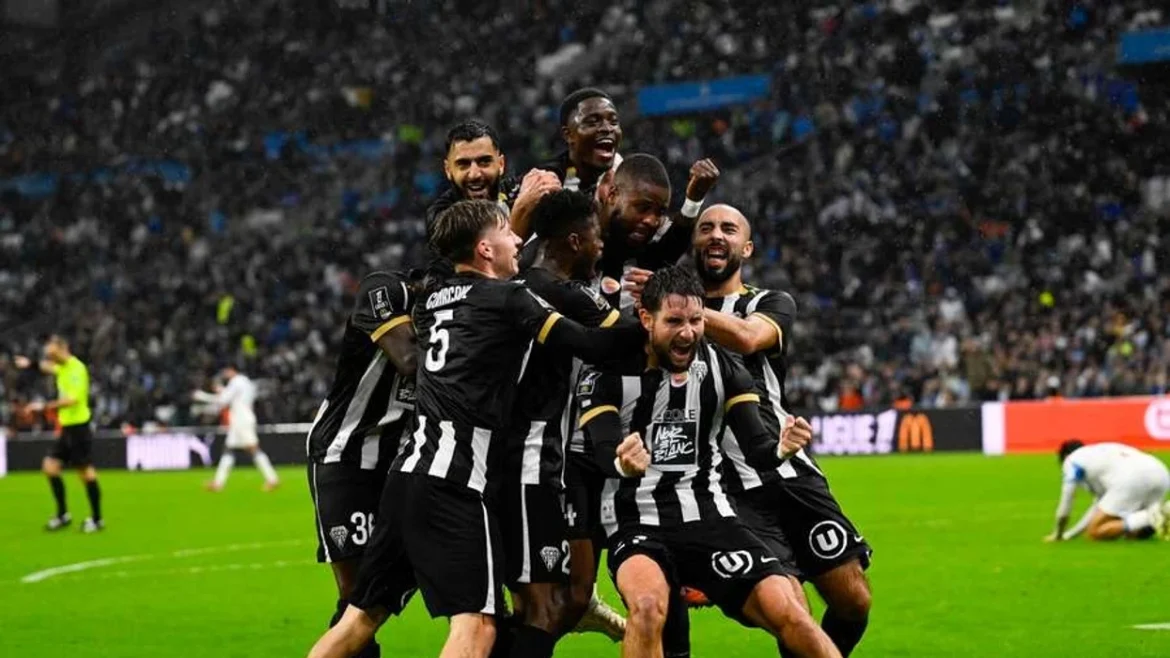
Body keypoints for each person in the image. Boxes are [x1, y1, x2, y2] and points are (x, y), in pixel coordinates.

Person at [307, 199, 644, 658]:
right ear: (485, 248)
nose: (518, 240)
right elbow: (587, 343)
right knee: (478, 626)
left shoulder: (433, 301)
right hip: (456, 482)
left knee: (361, 616)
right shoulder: (508, 298)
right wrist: (651, 322)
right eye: (507, 231)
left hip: (405, 477)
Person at [578, 265, 841, 658]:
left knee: (788, 608)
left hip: (710, 515)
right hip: (635, 520)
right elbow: (602, 452)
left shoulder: (723, 367)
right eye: (674, 321)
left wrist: (781, 449)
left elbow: (757, 448)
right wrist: (622, 464)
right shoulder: (608, 372)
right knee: (647, 609)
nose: (688, 333)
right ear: (646, 318)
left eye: (696, 320)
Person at [692, 205, 873, 656]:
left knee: (854, 600)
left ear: (747, 248)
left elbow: (748, 338)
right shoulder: (664, 318)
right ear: (693, 243)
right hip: (730, 488)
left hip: (792, 472)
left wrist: (680, 307)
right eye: (706, 228)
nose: (717, 235)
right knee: (793, 614)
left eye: (729, 229)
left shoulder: (770, 302)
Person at [503, 190, 627, 654]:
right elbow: (623, 337)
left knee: (534, 606)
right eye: (596, 237)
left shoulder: (530, 283)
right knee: (542, 608)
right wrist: (680, 314)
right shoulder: (556, 291)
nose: (601, 246)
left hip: (531, 458)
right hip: (527, 458)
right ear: (575, 241)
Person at [305, 268, 424, 658]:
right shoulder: (385, 288)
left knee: (379, 594)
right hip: (346, 454)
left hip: (400, 463)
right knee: (357, 596)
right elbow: (409, 360)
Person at [594, 153, 719, 310]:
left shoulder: (647, 255)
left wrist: (694, 200)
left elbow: (675, 241)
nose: (651, 221)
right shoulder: (576, 233)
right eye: (643, 208)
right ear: (612, 195)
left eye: (660, 212)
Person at [15, 335, 103, 533]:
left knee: (85, 472)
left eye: (53, 354)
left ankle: (97, 519)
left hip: (79, 428)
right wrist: (30, 364)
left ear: (63, 349)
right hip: (67, 428)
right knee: (50, 467)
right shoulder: (61, 367)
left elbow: (72, 400)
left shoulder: (76, 369)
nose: (51, 358)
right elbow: (47, 367)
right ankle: (63, 515)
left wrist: (44, 406)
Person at [1046, 440, 1170, 542]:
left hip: (1132, 478)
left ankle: (1151, 516)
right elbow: (1098, 507)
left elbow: (1066, 503)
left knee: (1094, 531)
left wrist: (1058, 534)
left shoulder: (1071, 461)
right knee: (1132, 534)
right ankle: (1153, 515)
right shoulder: (1099, 453)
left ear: (1065, 456)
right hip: (1160, 472)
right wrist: (1069, 535)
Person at [193, 365, 280, 492]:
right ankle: (218, 483)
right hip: (242, 417)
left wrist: (202, 396)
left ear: (231, 370)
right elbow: (233, 397)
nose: (225, 374)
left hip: (241, 419)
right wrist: (222, 390)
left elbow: (223, 400)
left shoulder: (236, 381)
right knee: (229, 449)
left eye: (226, 371)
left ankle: (272, 479)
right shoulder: (246, 381)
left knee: (252, 448)